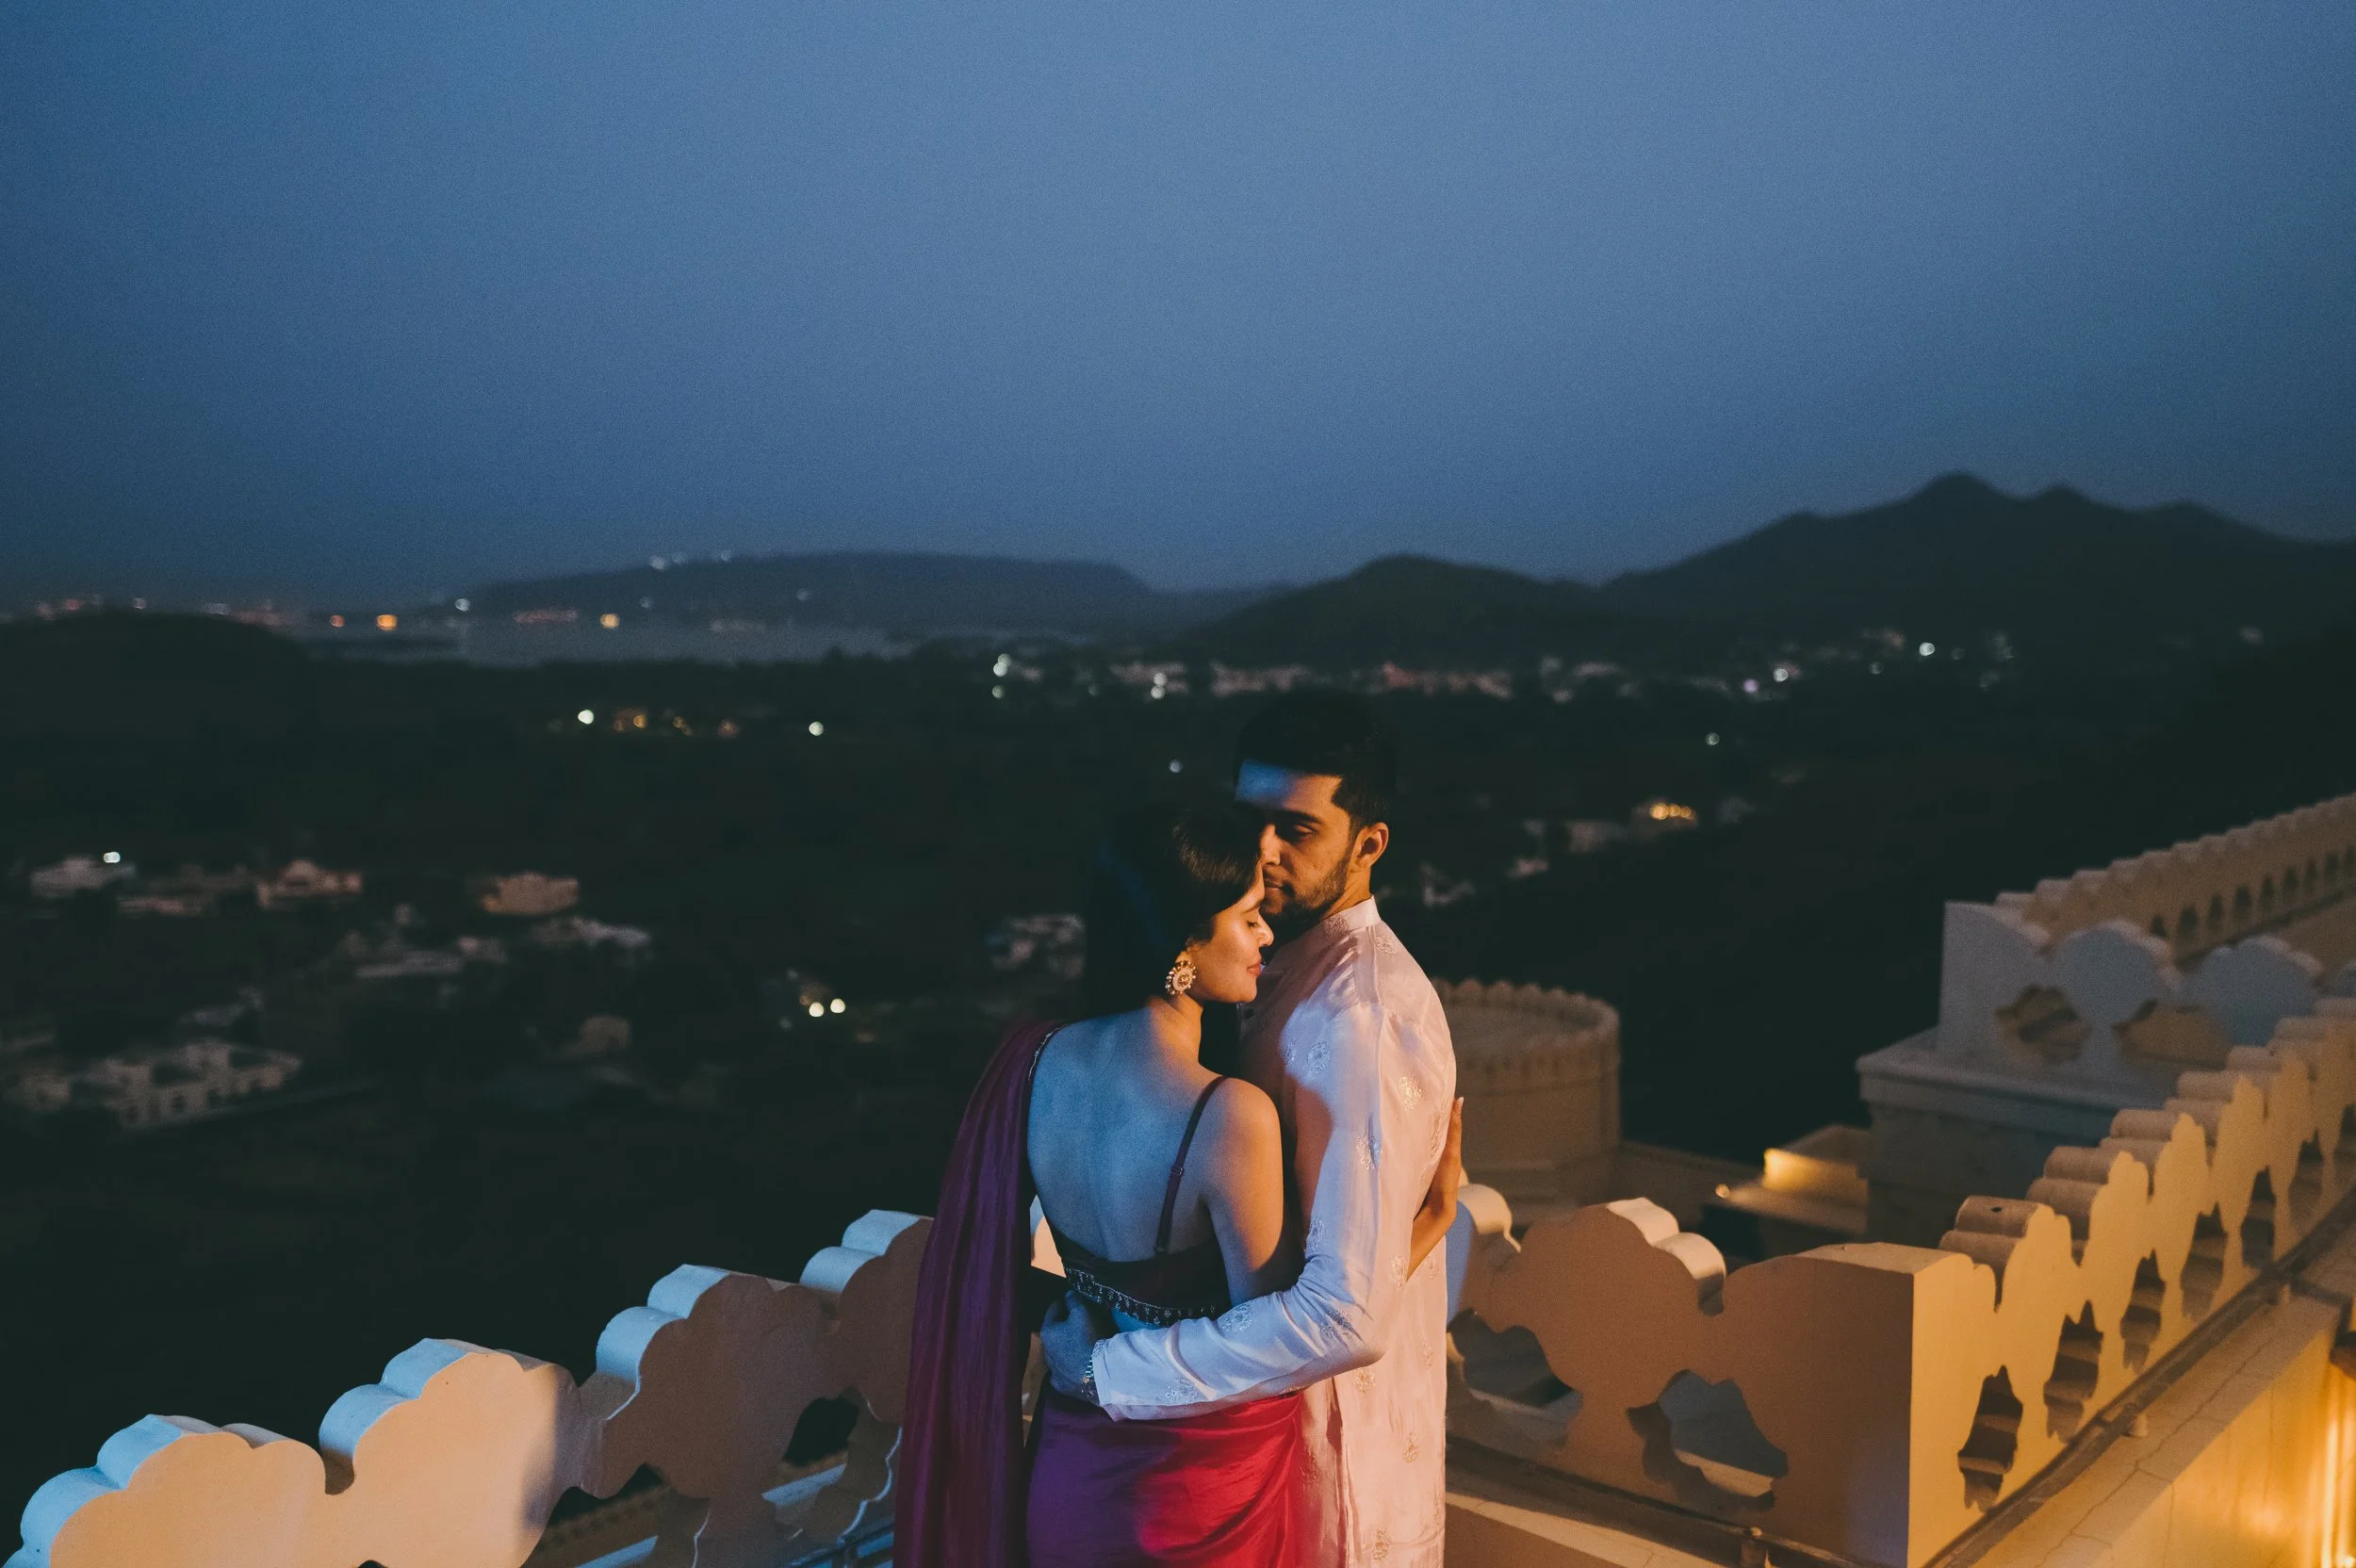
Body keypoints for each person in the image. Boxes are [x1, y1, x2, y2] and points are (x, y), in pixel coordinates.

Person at [896, 799, 1462, 1568]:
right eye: (1246, 917)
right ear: (1184, 948)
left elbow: (992, 1261)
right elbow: (1278, 1347)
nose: (1267, 934)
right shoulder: (1229, 1119)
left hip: (1067, 1476)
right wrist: (1429, 1222)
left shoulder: (1032, 1061)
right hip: (1193, 1501)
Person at [1041, 693, 1461, 1566]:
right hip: (1197, 1462)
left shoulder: (1361, 1021)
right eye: (1250, 820)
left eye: (1297, 830)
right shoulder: (1263, 972)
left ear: (1368, 843)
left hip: (1311, 1473)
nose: (1263, 854)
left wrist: (1102, 1373)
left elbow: (1344, 1316)